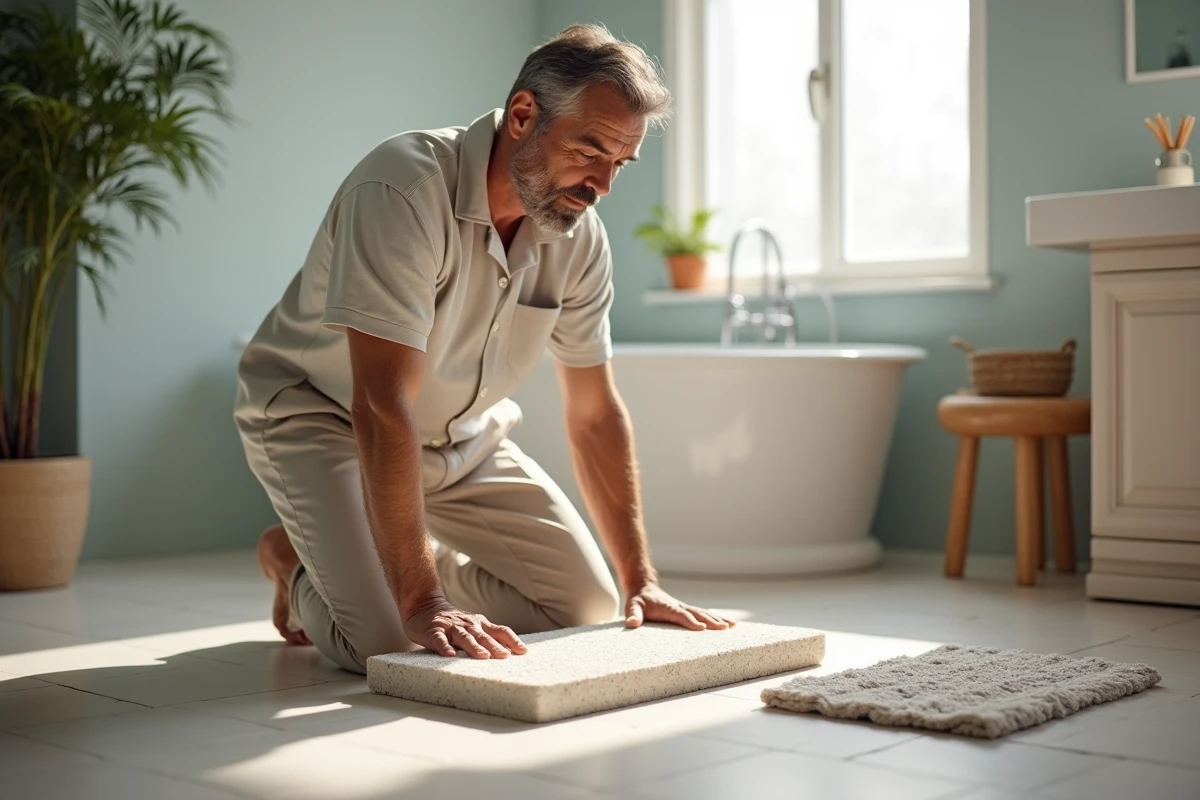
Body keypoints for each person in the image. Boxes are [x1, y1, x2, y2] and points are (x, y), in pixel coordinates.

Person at [234, 23, 736, 674]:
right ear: (524, 115)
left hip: (462, 440)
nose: (603, 184)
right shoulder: (402, 188)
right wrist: (423, 601)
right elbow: (382, 404)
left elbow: (593, 414)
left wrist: (641, 578)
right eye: (590, 151)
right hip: (323, 418)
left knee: (586, 606)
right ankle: (296, 561)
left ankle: (385, 558)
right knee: (391, 641)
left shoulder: (580, 238)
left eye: (620, 162)